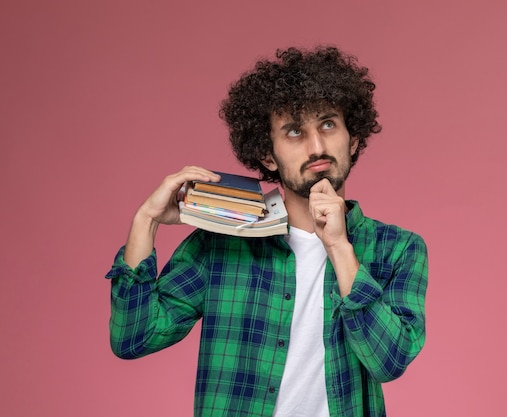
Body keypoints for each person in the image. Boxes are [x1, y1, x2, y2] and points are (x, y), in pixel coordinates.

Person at [105, 46, 428, 417]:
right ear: (268, 156)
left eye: (327, 124)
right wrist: (145, 219)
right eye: (294, 131)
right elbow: (133, 337)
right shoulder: (223, 242)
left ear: (352, 139)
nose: (317, 146)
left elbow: (389, 361)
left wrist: (338, 246)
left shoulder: (398, 249)